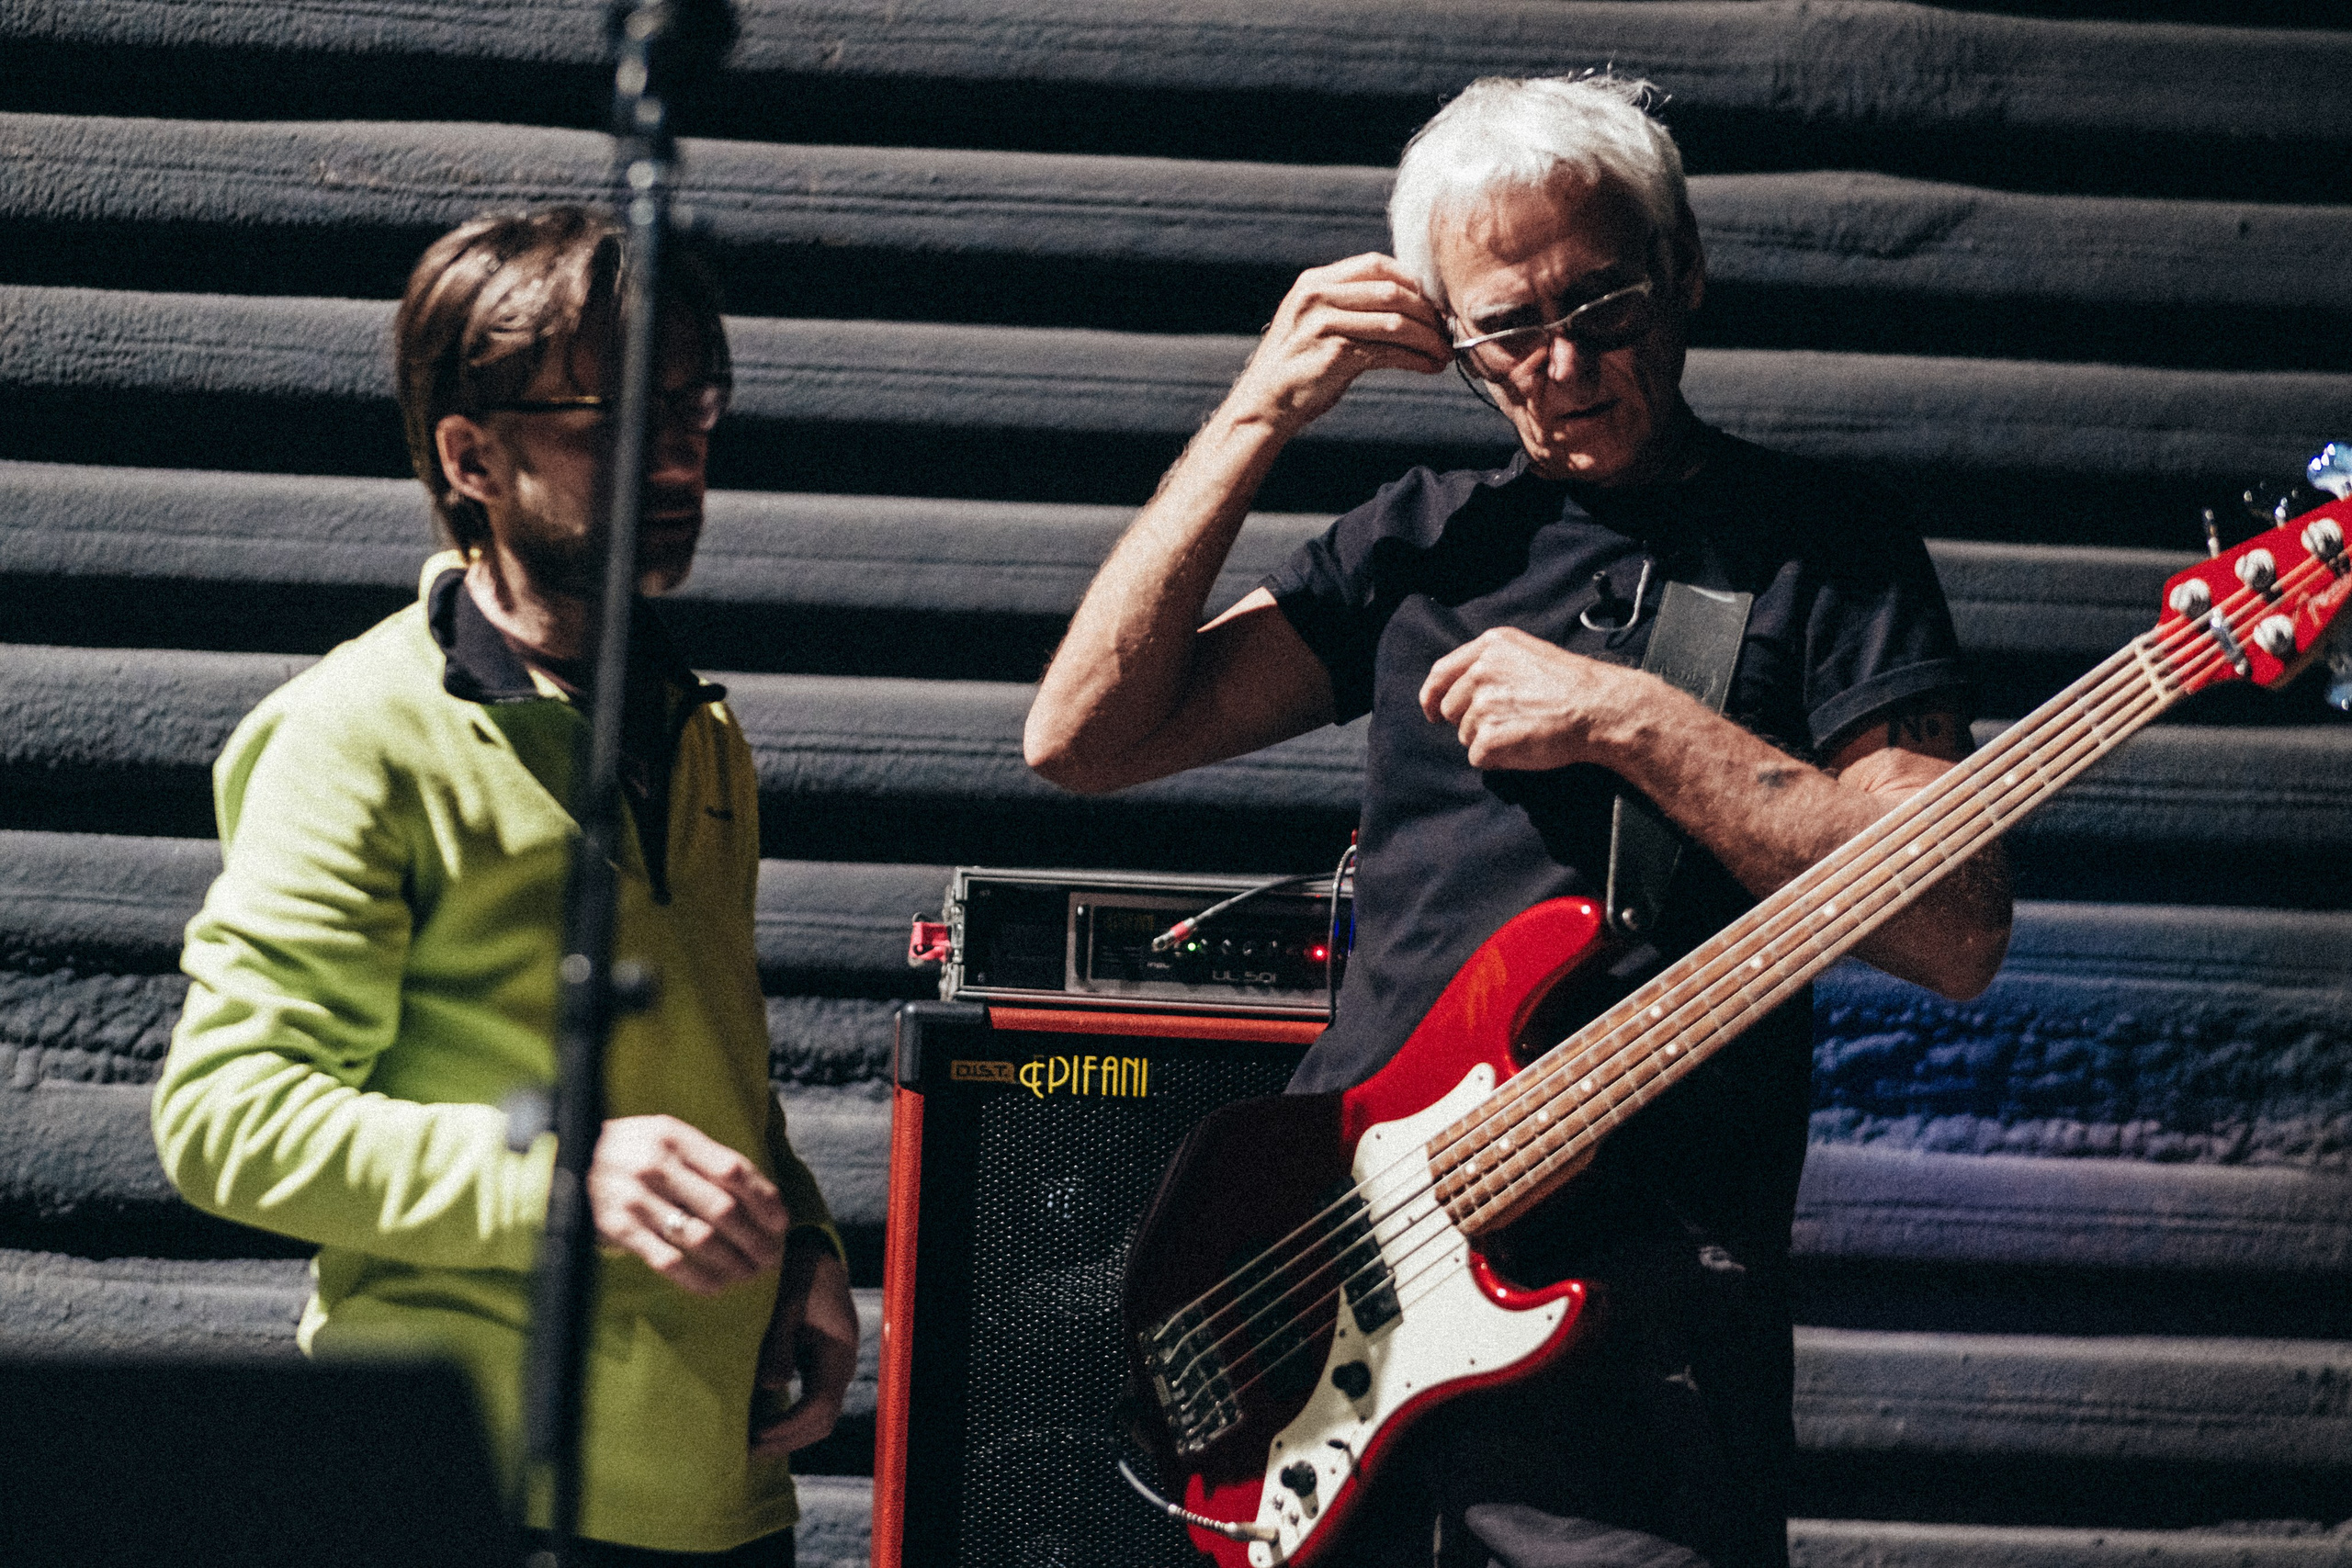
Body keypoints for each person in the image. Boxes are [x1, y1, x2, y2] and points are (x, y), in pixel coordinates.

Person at [1024, 76, 2011, 1568]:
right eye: (1506, 331)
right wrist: (1258, 412)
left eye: (1605, 306)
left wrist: (1631, 716)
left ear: (1685, 269)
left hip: (1643, 1343)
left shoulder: (1831, 551)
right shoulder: (1425, 537)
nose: (1563, 365)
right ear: (1448, 338)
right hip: (1345, 1285)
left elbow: (1952, 928)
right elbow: (1083, 739)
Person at [153, 206, 856, 1565]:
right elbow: (222, 1117)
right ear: (470, 455)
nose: (679, 453)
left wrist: (805, 1245)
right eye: (613, 413)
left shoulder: (697, 724)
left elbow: (707, 1062)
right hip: (463, 1499)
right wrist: (561, 1175)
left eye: (695, 406)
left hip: (715, 1501)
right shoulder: (357, 732)